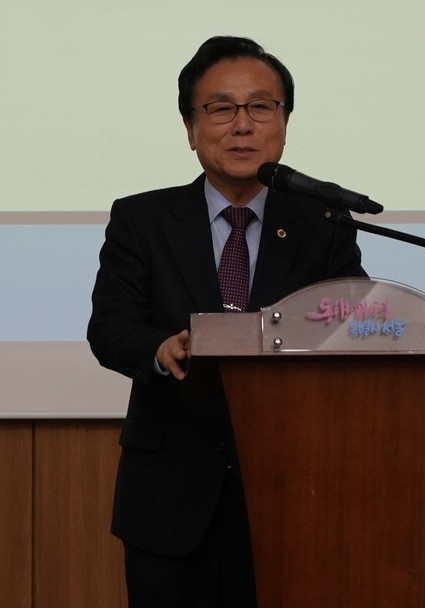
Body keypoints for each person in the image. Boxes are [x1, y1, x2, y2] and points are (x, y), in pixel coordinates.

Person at [87, 35, 367, 607]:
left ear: (284, 123)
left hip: (293, 489)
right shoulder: (142, 218)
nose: (242, 125)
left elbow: (350, 320)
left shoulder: (324, 221)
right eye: (220, 108)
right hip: (170, 495)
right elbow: (110, 326)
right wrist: (160, 348)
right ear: (191, 129)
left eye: (261, 106)